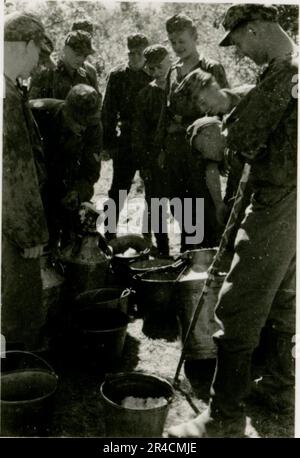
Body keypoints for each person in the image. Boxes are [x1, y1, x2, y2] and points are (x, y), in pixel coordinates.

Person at [168, 4, 297, 437]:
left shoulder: (287, 71)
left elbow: (240, 140)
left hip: (277, 202)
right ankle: (279, 386)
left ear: (256, 29)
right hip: (287, 199)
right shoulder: (285, 68)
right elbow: (255, 98)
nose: (239, 50)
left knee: (237, 305)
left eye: (239, 40)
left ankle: (222, 417)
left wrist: (215, 137)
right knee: (281, 298)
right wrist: (228, 103)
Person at [155, 14, 229, 252]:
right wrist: (161, 148)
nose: (177, 47)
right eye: (173, 42)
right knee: (182, 209)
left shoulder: (210, 68)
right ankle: (189, 261)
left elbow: (223, 107)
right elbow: (165, 113)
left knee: (206, 208)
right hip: (176, 151)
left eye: (182, 41)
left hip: (202, 150)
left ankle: (208, 264)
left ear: (195, 38)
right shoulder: (173, 71)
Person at [2, 12, 51, 351]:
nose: (38, 63)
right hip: (12, 228)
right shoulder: (6, 98)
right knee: (19, 308)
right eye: (38, 53)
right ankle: (19, 383)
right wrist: (30, 233)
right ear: (29, 44)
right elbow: (15, 172)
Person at [30, 84, 102, 250]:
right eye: (78, 122)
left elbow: (90, 170)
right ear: (66, 111)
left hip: (67, 181)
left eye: (87, 123)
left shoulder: (94, 127)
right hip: (36, 180)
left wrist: (78, 191)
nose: (83, 128)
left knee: (72, 234)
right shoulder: (38, 111)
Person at [101, 33, 151, 240]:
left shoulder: (154, 75)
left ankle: (150, 236)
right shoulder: (117, 75)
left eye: (140, 53)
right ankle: (109, 234)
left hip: (149, 141)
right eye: (131, 53)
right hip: (126, 141)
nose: (135, 57)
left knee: (153, 192)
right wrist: (108, 144)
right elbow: (108, 112)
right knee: (118, 190)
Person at [132, 45, 171, 256]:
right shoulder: (145, 95)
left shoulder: (180, 88)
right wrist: (145, 164)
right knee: (156, 205)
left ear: (170, 62)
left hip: (179, 159)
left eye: (161, 67)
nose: (159, 72)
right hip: (154, 160)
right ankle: (162, 249)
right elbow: (138, 135)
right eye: (153, 69)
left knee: (183, 206)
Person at [29, 29, 99, 99]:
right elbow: (31, 104)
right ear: (66, 49)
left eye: (85, 55)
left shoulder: (89, 73)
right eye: (77, 54)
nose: (81, 59)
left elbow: (96, 103)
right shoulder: (47, 72)